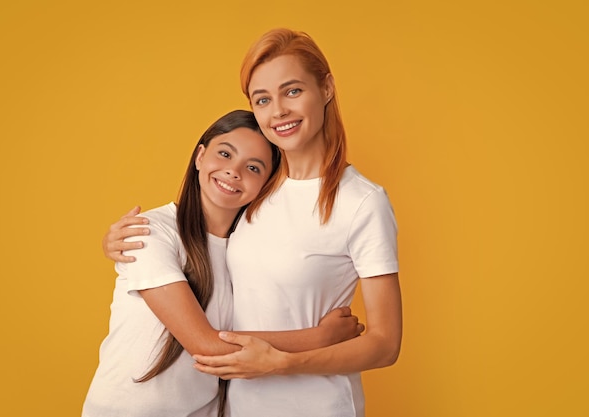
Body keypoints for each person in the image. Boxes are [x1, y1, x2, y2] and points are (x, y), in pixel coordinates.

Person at [103, 28, 402, 417]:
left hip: (316, 405)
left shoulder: (362, 202)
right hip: (238, 406)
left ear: (326, 88)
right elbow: (192, 244)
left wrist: (284, 363)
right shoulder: (255, 190)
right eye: (263, 99)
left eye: (292, 91)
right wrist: (115, 244)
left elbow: (384, 344)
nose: (278, 110)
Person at [83, 109, 364, 417]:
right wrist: (319, 339)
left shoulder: (249, 252)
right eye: (225, 153)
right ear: (200, 156)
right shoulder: (150, 232)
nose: (233, 171)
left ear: (266, 185)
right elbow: (206, 347)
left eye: (254, 168)